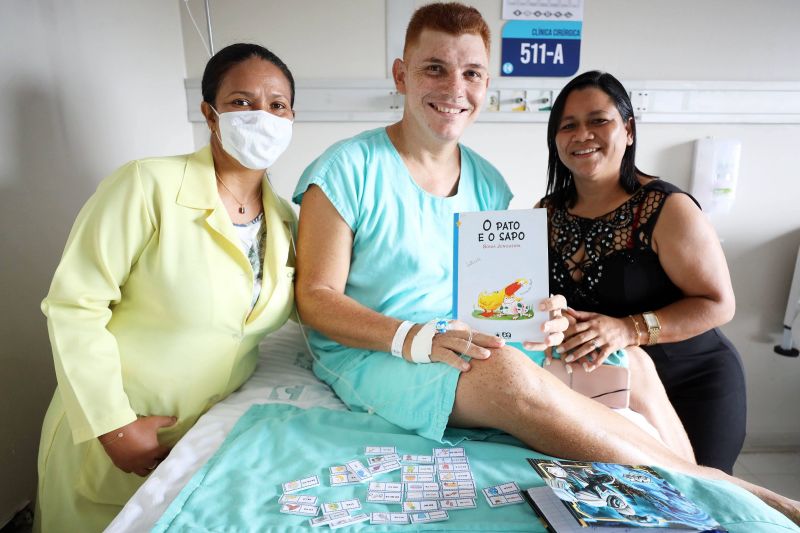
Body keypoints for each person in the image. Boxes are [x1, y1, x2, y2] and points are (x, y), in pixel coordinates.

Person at [293, 3, 799, 523]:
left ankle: (711, 509)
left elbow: (495, 292)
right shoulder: (345, 169)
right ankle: (721, 489)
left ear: (486, 84)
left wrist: (538, 315)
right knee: (506, 373)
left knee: (631, 364)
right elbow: (315, 297)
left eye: (471, 73)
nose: (454, 88)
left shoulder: (489, 183)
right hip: (375, 350)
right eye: (434, 68)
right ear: (401, 75)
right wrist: (414, 338)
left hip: (462, 338)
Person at [35, 43, 297, 531]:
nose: (263, 116)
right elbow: (73, 306)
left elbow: (318, 302)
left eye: (277, 105)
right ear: (210, 113)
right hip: (112, 426)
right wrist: (113, 426)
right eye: (242, 102)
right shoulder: (146, 186)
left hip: (200, 439)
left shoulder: (284, 220)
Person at [539, 70, 746, 474]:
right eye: (568, 125)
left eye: (599, 120)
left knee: (704, 504)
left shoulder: (666, 208)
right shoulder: (546, 213)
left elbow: (719, 304)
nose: (583, 134)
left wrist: (627, 329)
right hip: (607, 393)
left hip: (692, 384)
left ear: (629, 130)